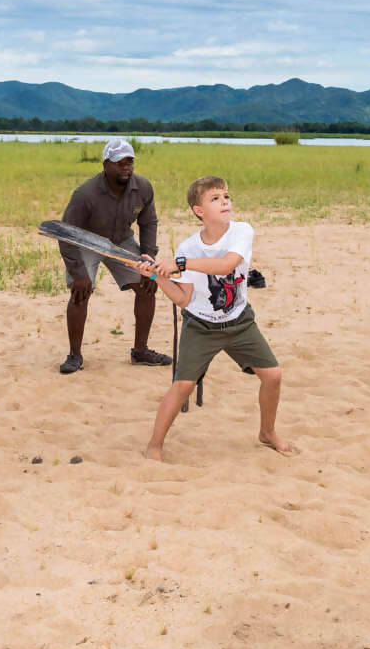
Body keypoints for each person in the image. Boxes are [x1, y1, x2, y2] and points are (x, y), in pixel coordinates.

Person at [138, 175, 296, 460]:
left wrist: (179, 264)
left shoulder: (241, 231)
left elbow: (226, 266)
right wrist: (156, 276)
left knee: (273, 376)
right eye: (215, 198)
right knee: (183, 385)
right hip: (201, 326)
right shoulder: (188, 247)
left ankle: (267, 432)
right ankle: (155, 445)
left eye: (226, 196)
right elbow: (183, 299)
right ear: (199, 211)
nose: (225, 202)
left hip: (239, 322)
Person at [55, 137, 171, 373]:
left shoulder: (143, 187)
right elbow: (66, 234)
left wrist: (148, 256)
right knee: (80, 291)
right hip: (88, 241)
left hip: (121, 240)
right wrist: (78, 273)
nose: (125, 167)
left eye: (129, 162)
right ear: (106, 164)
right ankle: (74, 356)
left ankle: (140, 352)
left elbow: (149, 222)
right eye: (119, 162)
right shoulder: (85, 194)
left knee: (148, 284)